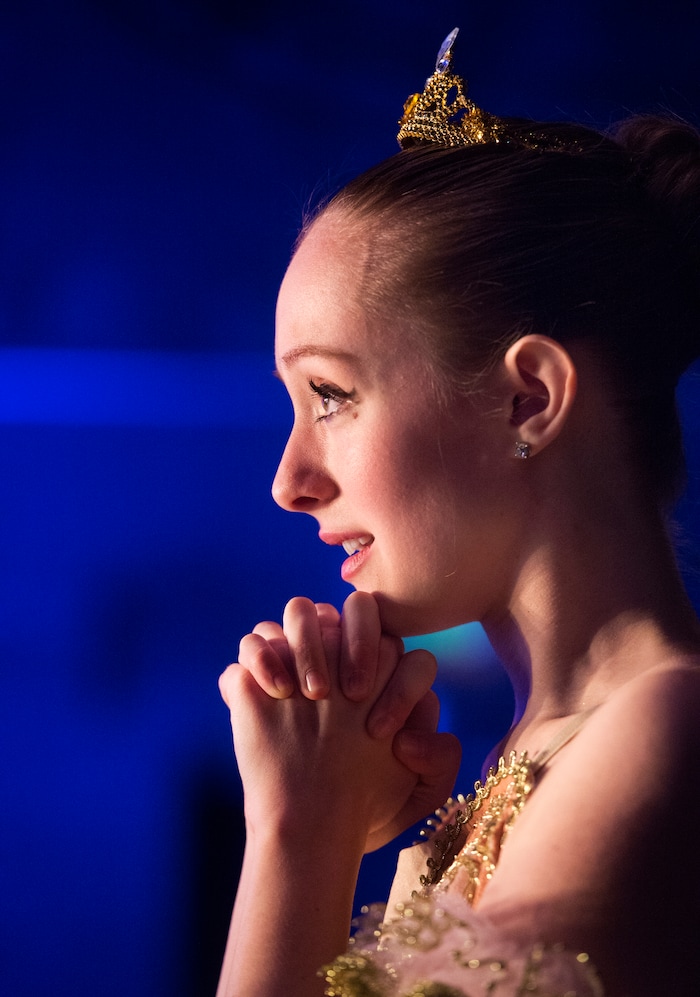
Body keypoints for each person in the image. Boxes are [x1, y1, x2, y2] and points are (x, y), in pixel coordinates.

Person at [216, 28, 700, 997]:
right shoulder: (528, 757)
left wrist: (299, 838)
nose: (290, 478)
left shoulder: (663, 724)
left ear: (529, 399)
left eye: (332, 395)